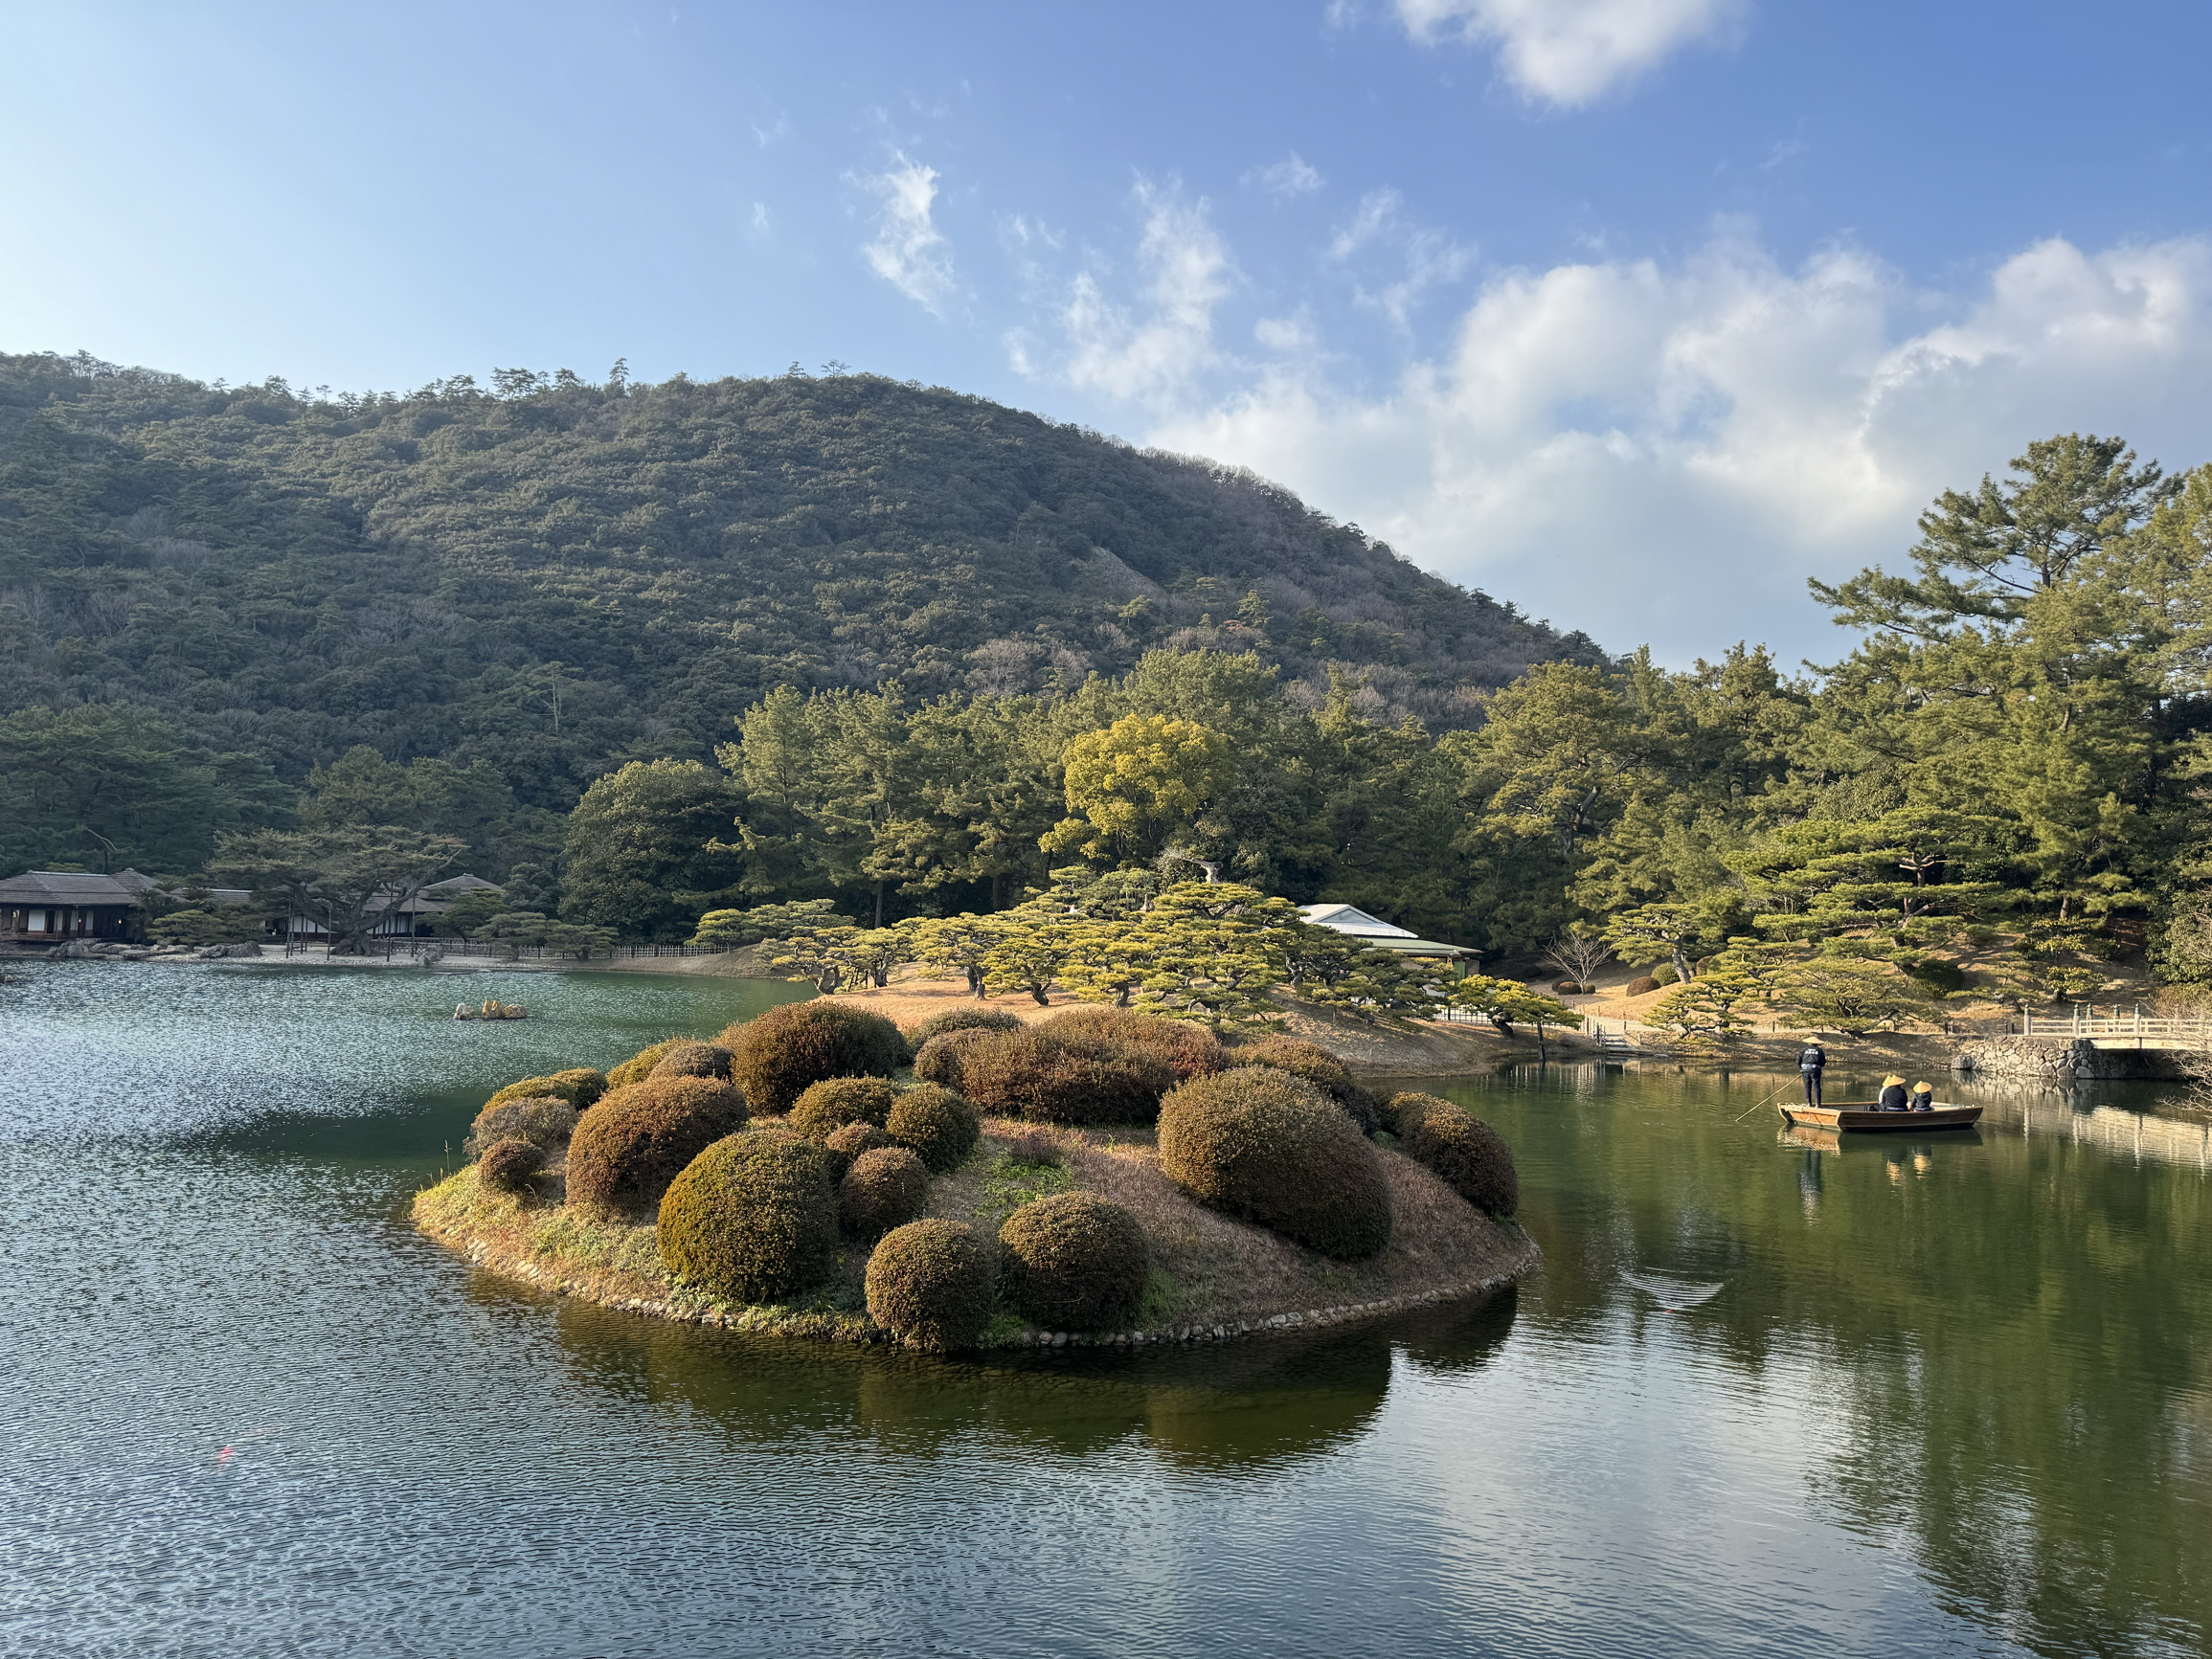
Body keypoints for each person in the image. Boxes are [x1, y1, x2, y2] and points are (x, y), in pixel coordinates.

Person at [1797, 1041, 1827, 1107]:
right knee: (1816, 1086)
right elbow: (1823, 1062)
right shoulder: (1819, 1050)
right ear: (1816, 1044)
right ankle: (1818, 1104)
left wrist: (1801, 1069)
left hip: (1805, 1070)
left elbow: (1798, 1060)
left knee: (1807, 1086)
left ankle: (1808, 1103)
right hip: (1815, 1070)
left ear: (1809, 1043)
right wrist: (1819, 1067)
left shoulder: (1803, 1050)